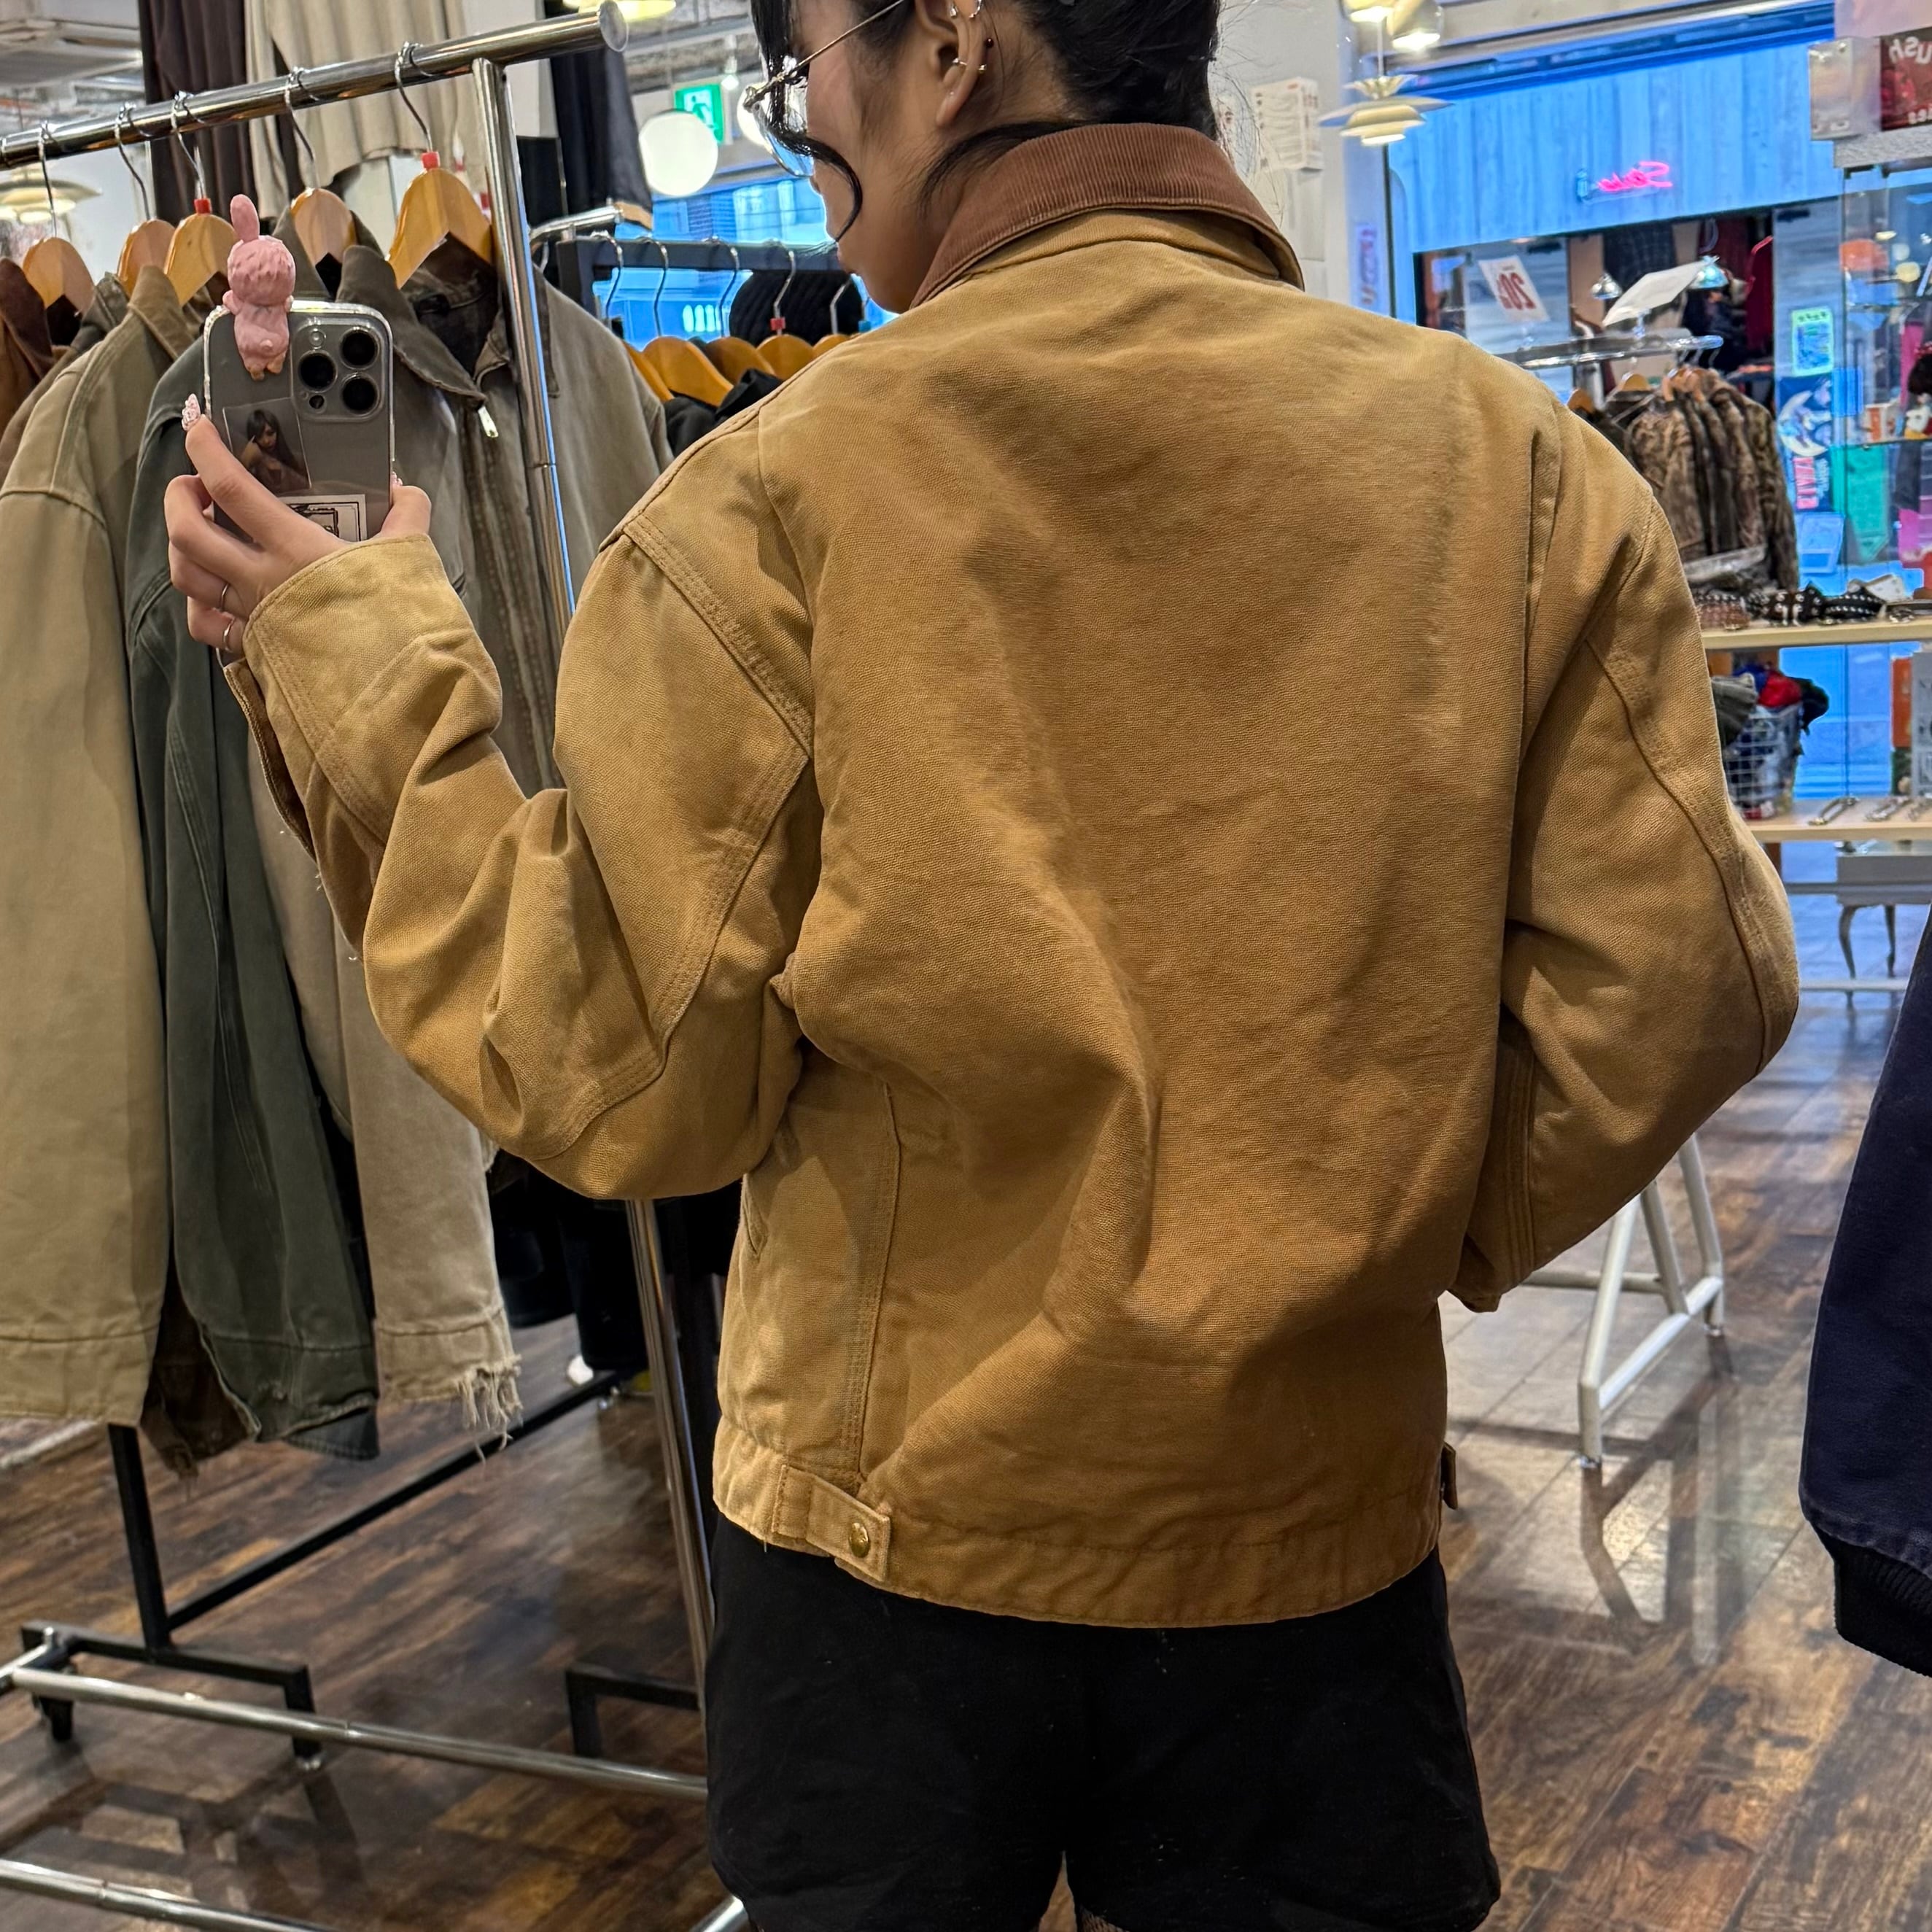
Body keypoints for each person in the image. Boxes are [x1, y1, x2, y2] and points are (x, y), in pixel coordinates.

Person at [166, 1, 1799, 1925]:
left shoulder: (769, 503)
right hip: (1305, 1535)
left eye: (802, 70)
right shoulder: (1513, 471)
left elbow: (624, 1071)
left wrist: (353, 663)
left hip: (889, 1554)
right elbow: (1679, 981)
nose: (805, 136)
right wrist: (1380, 1213)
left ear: (952, 42)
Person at [233, 406, 309, 494]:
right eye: (259, 436)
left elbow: (306, 488)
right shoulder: (253, 466)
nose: (266, 441)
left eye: (270, 433)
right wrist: (245, 462)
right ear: (253, 439)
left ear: (277, 432)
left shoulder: (298, 459)